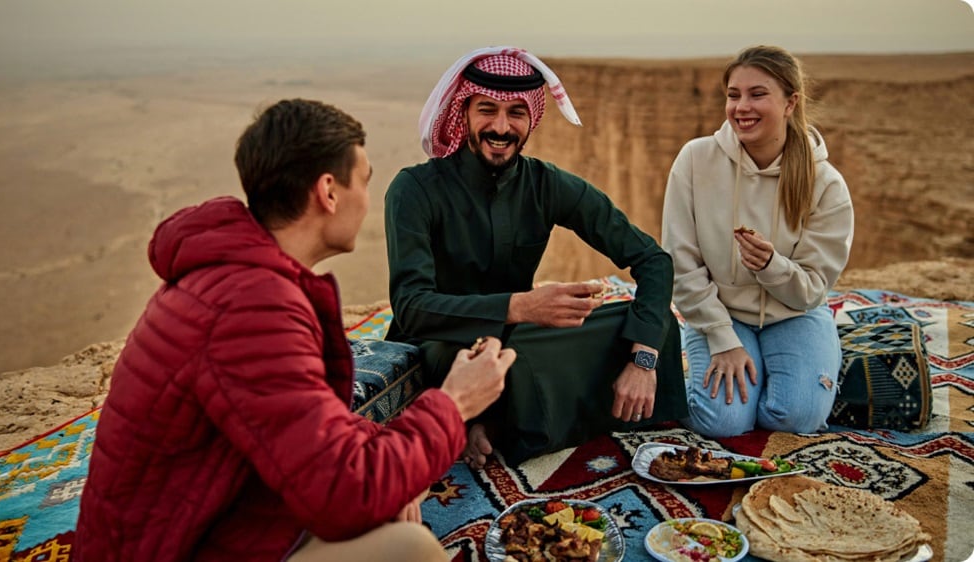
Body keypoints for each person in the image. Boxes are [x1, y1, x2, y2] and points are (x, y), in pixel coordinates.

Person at [73, 99, 516, 562]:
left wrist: (392, 475)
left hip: (205, 522)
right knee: (408, 548)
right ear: (328, 192)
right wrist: (455, 402)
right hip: (169, 547)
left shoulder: (243, 280)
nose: (367, 199)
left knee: (397, 491)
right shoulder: (251, 309)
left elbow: (306, 427)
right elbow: (346, 492)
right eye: (363, 181)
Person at [384, 46, 687, 468]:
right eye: (486, 110)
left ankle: (490, 423)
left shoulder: (546, 185)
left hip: (523, 339)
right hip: (444, 342)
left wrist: (642, 359)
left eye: (516, 113)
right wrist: (521, 306)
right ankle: (491, 421)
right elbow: (412, 308)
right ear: (464, 111)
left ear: (533, 119)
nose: (501, 127)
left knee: (648, 326)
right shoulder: (414, 190)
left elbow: (653, 260)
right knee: (474, 358)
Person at [661, 45, 854, 438]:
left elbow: (812, 290)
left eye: (758, 94)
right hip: (722, 312)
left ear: (790, 103)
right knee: (724, 422)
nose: (741, 107)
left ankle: (791, 364)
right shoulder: (695, 160)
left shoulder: (826, 184)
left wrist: (772, 267)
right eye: (734, 95)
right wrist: (722, 339)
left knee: (797, 418)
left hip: (795, 314)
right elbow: (680, 264)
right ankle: (685, 377)